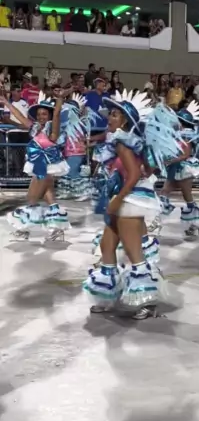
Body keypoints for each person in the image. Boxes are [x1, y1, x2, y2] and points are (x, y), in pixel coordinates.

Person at [84, 92, 173, 319]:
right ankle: (107, 296)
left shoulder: (123, 142)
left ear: (125, 121)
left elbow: (133, 175)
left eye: (114, 115)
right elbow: (141, 171)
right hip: (122, 196)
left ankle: (148, 302)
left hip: (129, 199)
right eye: (110, 114)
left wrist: (117, 199)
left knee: (134, 253)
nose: (109, 118)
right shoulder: (123, 141)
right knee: (106, 246)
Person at [7, 92, 70, 240]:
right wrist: (6, 103)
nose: (41, 117)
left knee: (32, 198)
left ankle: (24, 229)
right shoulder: (35, 127)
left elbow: (57, 115)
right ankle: (57, 229)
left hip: (45, 167)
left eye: (44, 114)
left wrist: (59, 99)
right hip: (39, 166)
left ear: (50, 115)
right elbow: (20, 116)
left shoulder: (52, 128)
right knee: (49, 197)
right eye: (39, 114)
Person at [159, 102, 199, 241]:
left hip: (184, 167)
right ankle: (156, 221)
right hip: (174, 167)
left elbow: (185, 155)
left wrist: (170, 160)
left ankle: (195, 225)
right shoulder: (177, 134)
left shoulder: (187, 135)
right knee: (164, 193)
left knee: (187, 196)